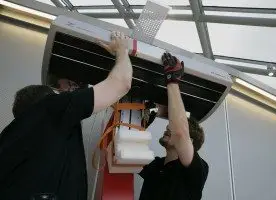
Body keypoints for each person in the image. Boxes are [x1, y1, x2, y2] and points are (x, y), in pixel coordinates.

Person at [0, 31, 132, 200]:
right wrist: (122, 50)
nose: (70, 90)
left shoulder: (13, 139)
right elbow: (122, 83)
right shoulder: (49, 109)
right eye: (65, 89)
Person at [139, 53, 209, 200]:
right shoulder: (155, 166)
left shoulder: (197, 170)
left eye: (173, 127)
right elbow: (123, 150)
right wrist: (140, 123)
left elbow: (180, 133)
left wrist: (172, 80)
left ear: (190, 142)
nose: (168, 128)